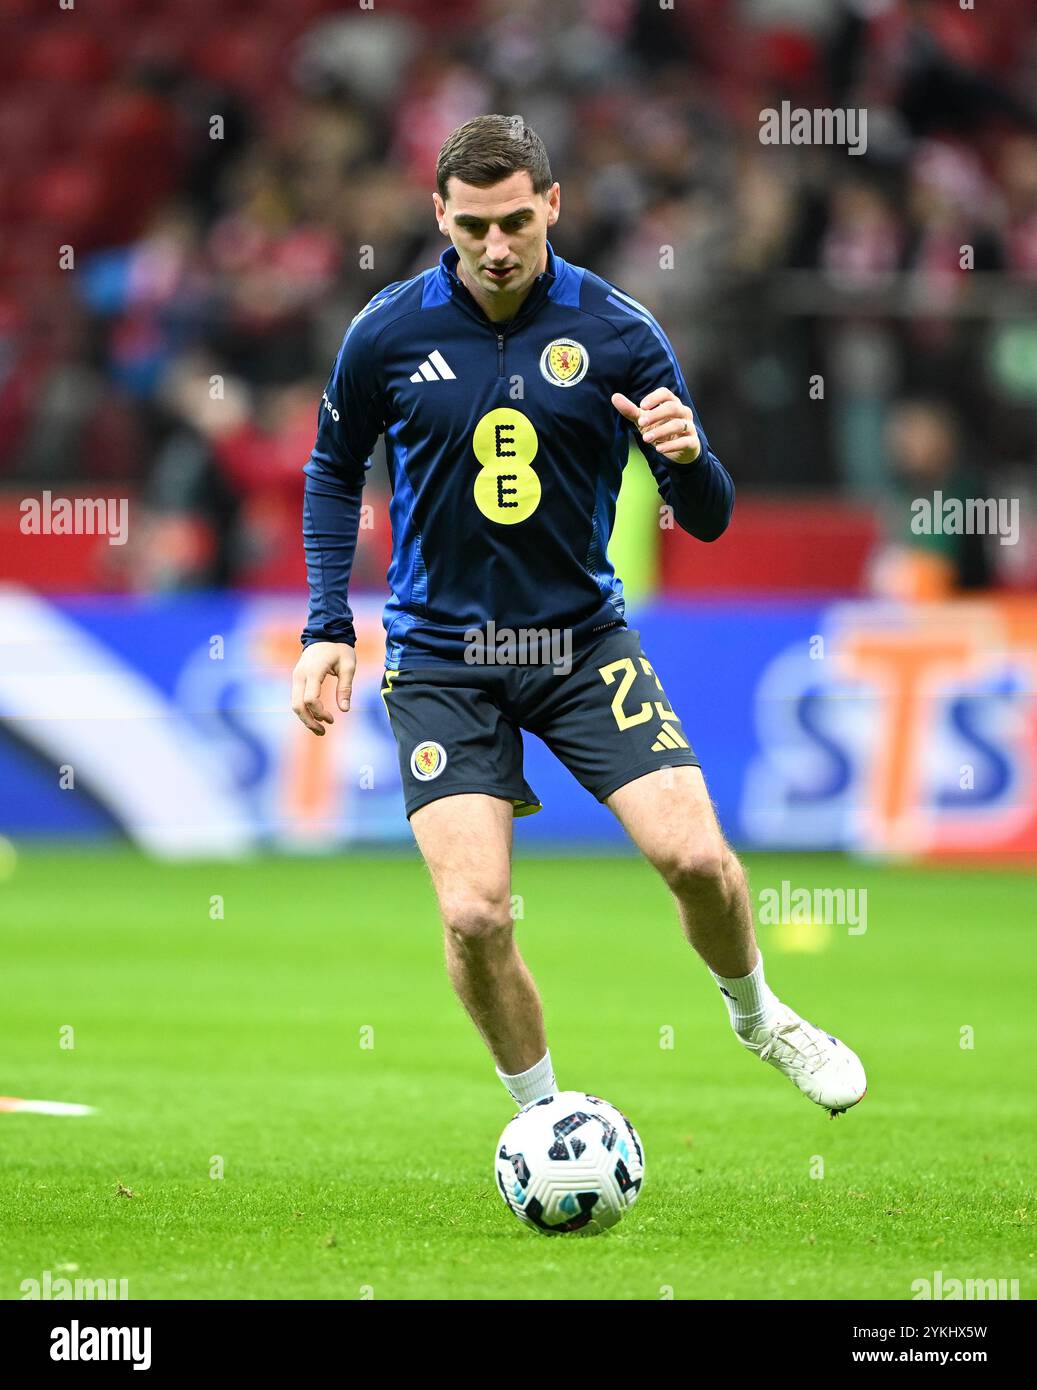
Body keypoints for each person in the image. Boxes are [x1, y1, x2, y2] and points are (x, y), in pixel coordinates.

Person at [291, 115, 866, 1117]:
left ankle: (757, 1011)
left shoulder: (616, 331)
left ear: (553, 204)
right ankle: (545, 1116)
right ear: (439, 215)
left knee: (693, 855)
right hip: (440, 656)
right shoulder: (385, 331)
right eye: (473, 228)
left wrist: (690, 461)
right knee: (473, 913)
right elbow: (334, 471)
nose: (497, 247)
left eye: (516, 220)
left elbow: (707, 516)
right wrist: (326, 623)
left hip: (578, 643)